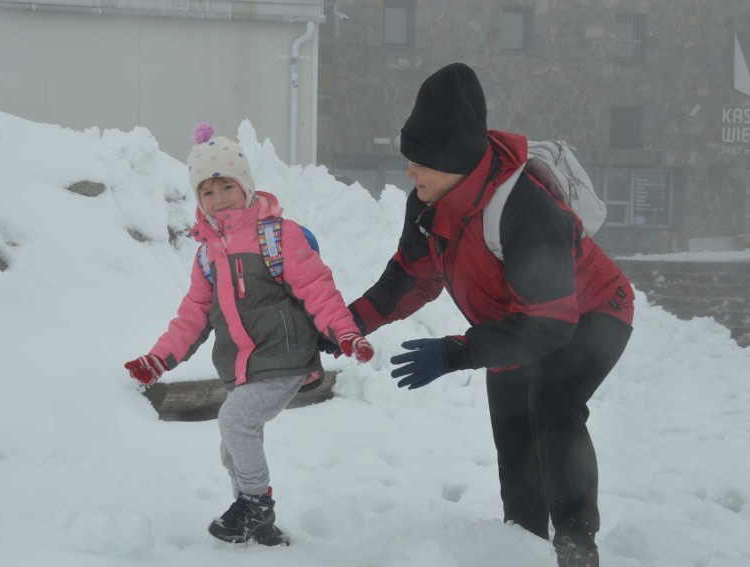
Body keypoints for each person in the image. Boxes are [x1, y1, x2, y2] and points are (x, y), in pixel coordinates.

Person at [344, 63, 634, 566]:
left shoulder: (525, 211)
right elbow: (410, 277)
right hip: (512, 323)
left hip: (589, 313)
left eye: (419, 163)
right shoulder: (427, 205)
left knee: (551, 402)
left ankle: (575, 540)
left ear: (452, 160)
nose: (409, 173)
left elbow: (550, 323)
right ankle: (520, 544)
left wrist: (458, 351)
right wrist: (344, 327)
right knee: (512, 429)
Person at [124, 123, 374, 547]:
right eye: (207, 192)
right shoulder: (207, 255)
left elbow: (318, 289)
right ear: (197, 200)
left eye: (226, 188)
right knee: (233, 445)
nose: (218, 199)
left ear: (246, 187)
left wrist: (346, 334)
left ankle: (257, 503)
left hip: (284, 358)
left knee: (235, 421)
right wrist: (158, 359)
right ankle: (256, 525)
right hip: (243, 366)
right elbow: (192, 316)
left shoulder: (278, 236)